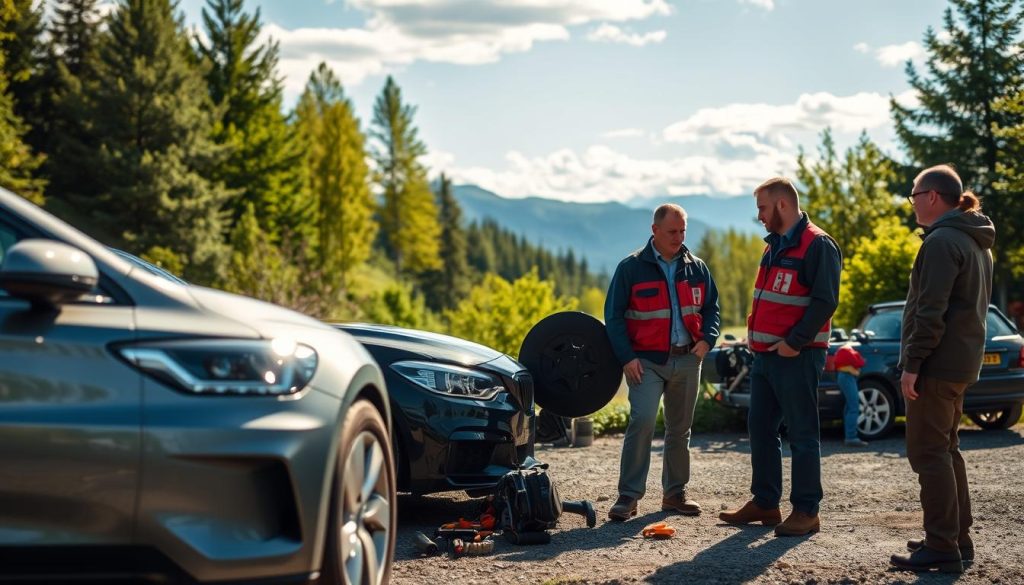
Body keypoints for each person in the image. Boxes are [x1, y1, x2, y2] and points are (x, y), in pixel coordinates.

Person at [720, 177, 841, 537]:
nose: (758, 216)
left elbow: (825, 300)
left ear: (783, 206)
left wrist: (794, 342)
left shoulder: (817, 244)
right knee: (760, 428)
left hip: (797, 356)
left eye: (762, 208)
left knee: (802, 434)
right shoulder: (774, 245)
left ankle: (806, 511)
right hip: (765, 357)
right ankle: (765, 503)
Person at [889, 165, 993, 574]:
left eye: (914, 195)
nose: (912, 202)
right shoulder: (974, 241)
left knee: (928, 453)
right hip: (961, 364)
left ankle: (942, 545)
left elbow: (931, 312)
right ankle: (955, 537)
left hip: (936, 365)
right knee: (947, 451)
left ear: (932, 196)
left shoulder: (941, 242)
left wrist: (912, 365)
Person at [604, 203, 721, 521]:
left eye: (683, 230)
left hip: (687, 360)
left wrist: (706, 341)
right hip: (646, 362)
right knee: (641, 422)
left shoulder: (696, 267)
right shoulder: (630, 268)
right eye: (672, 231)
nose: (679, 237)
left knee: (680, 429)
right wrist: (627, 357)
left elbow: (712, 308)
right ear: (654, 231)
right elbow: (613, 317)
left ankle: (675, 495)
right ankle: (628, 496)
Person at [834, 343, 868, 447]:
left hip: (843, 377)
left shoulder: (843, 351)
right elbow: (858, 365)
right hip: (847, 377)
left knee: (849, 407)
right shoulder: (849, 352)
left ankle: (849, 435)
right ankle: (851, 437)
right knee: (853, 407)